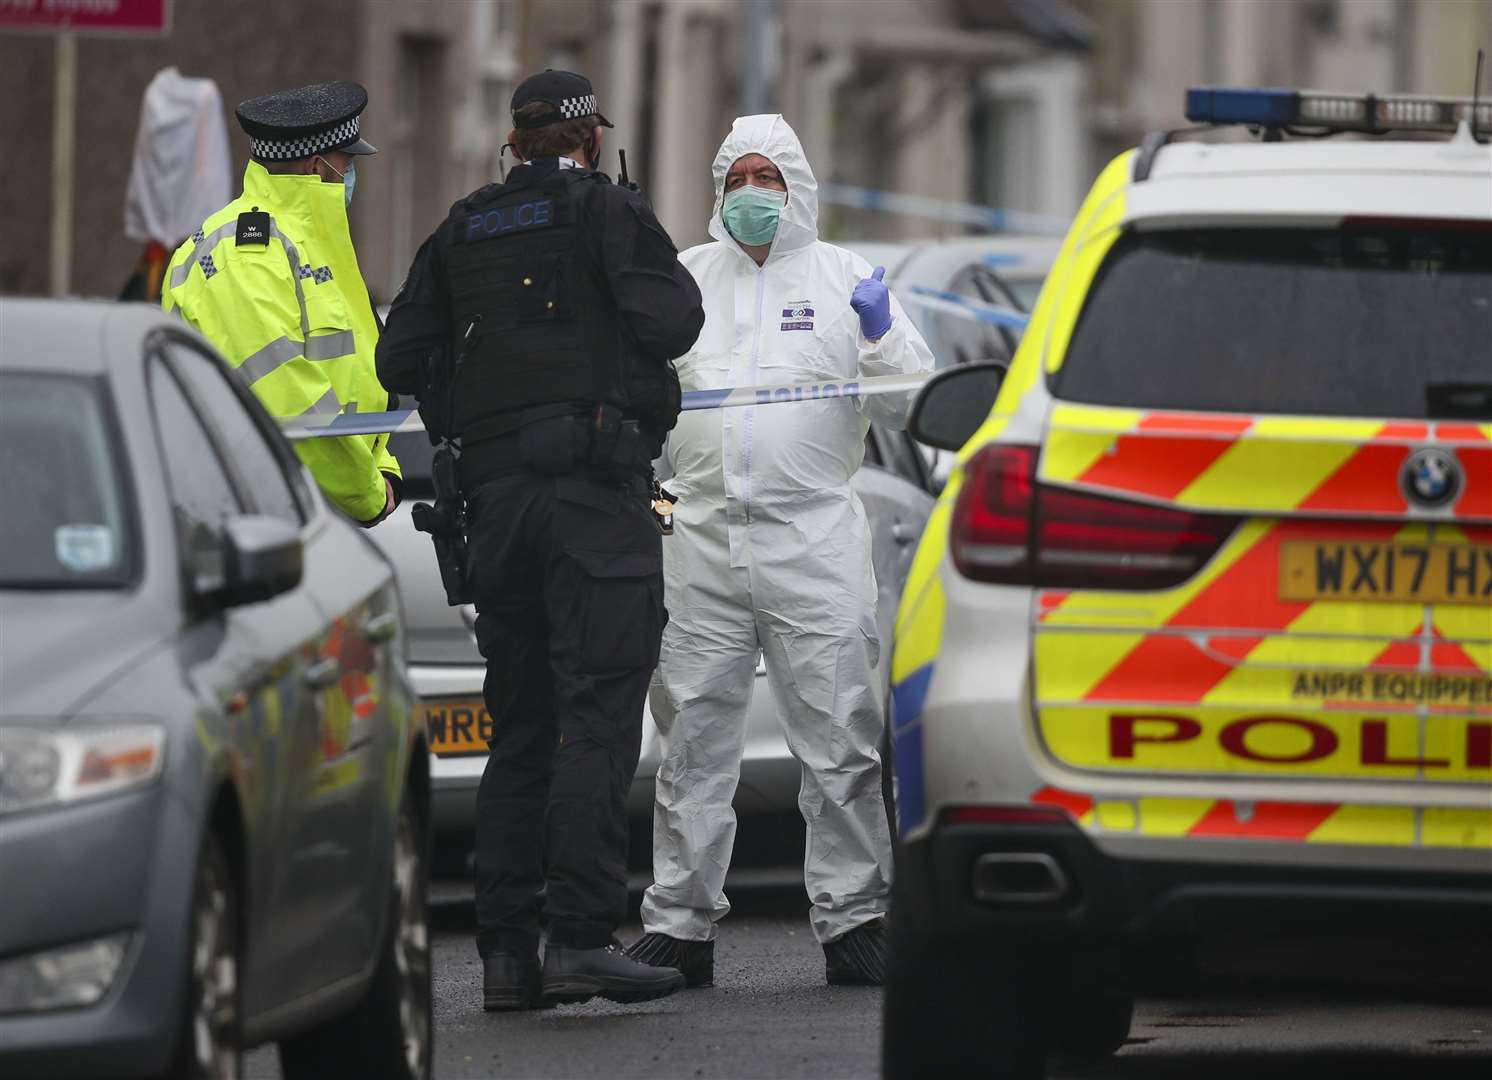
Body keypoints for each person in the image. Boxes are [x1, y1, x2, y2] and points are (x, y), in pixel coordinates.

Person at [376, 70, 705, 1010]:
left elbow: (397, 360)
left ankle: (508, 959)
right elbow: (677, 321)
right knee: (596, 717)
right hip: (593, 505)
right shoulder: (609, 213)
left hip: (498, 509)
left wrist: (477, 411)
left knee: (519, 729)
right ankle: (580, 936)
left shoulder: (461, 228)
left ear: (514, 140)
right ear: (590, 140)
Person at [627, 114, 935, 988]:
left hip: (813, 538)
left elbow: (914, 407)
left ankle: (855, 918)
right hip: (702, 538)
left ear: (796, 184)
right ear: (719, 187)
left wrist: (880, 335)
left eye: (769, 176)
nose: (753, 193)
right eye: (738, 177)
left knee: (840, 737)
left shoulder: (847, 281)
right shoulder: (685, 280)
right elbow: (647, 403)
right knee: (691, 735)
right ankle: (680, 923)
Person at [162, 80, 400, 527]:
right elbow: (289, 396)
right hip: (256, 515)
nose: (351, 176)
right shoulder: (244, 252)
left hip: (308, 507)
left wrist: (382, 466)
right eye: (347, 163)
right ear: (317, 166)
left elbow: (356, 379)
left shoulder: (302, 243)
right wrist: (367, 491)